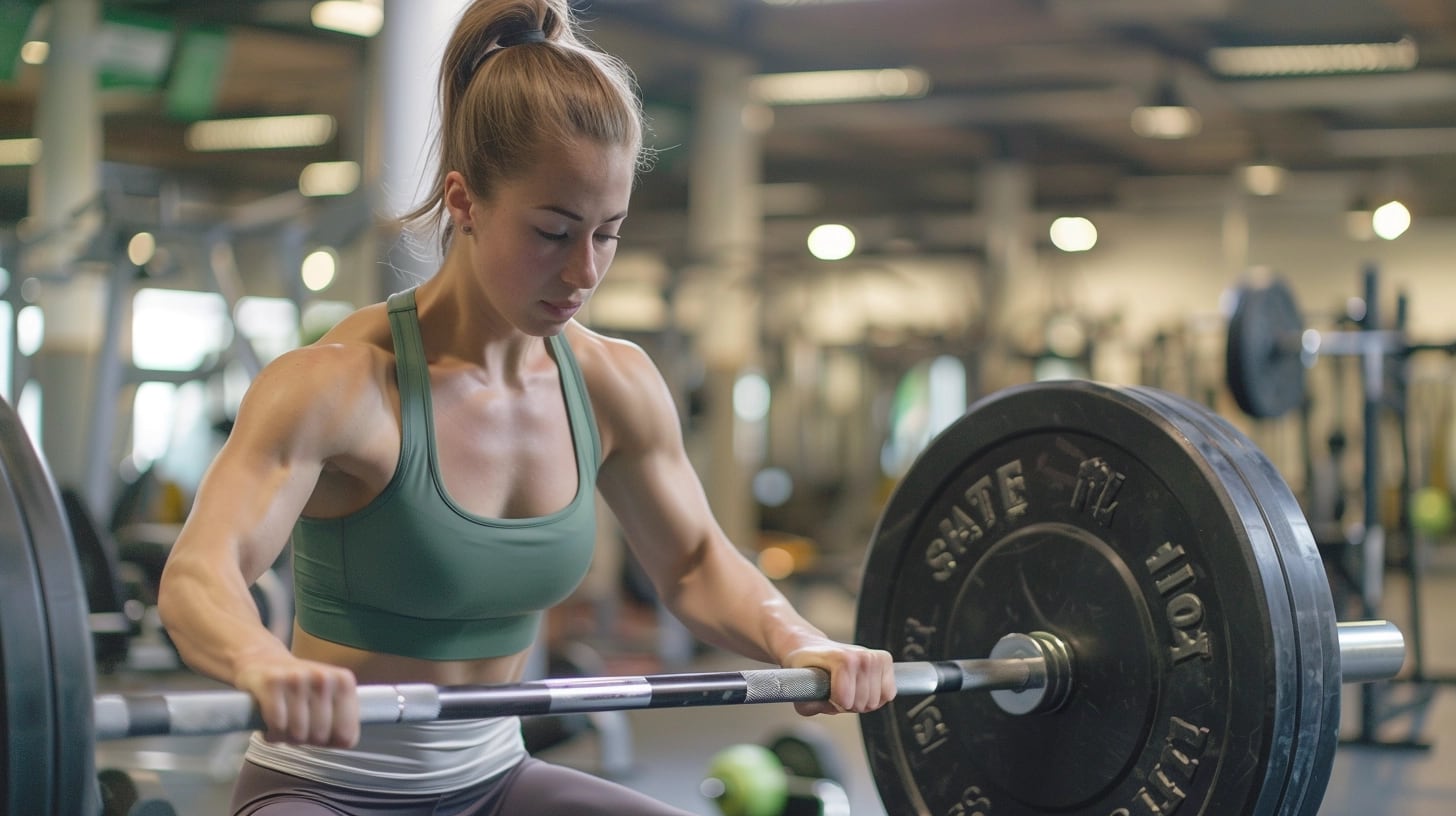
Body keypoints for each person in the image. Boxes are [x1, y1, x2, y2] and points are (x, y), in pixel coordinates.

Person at [156, 1, 896, 813]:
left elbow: (692, 563)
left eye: (607, 234)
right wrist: (261, 661)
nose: (583, 271)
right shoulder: (337, 388)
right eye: (552, 231)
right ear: (465, 202)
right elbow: (201, 575)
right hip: (329, 789)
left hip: (497, 781)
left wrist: (800, 638)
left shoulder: (615, 384)